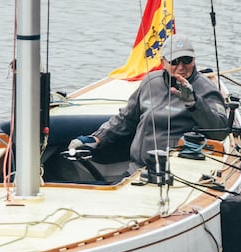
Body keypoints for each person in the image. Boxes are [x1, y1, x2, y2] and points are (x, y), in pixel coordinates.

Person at [69, 34, 228, 175]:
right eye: (174, 61)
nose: (181, 66)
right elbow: (126, 119)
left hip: (177, 175)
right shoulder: (151, 82)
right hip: (136, 169)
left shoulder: (206, 89)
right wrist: (96, 138)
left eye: (186, 60)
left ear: (194, 60)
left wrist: (194, 103)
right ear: (163, 62)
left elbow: (220, 132)